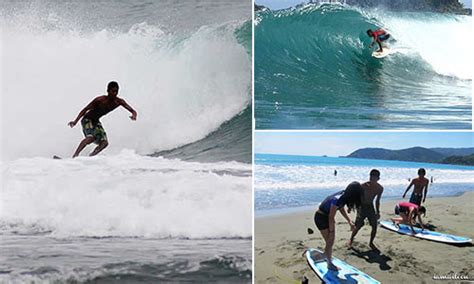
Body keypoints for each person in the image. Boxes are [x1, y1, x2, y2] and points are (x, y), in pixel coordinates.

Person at [68, 81, 137, 158]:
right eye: (113, 91)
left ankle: (90, 157)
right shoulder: (100, 100)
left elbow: (133, 111)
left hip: (96, 121)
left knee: (104, 143)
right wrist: (75, 121)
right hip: (87, 119)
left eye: (116, 91)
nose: (114, 93)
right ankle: (75, 155)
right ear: (108, 91)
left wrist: (134, 115)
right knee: (90, 137)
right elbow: (85, 109)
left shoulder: (119, 101)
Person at [313, 182, 362, 270]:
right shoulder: (339, 198)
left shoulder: (344, 195)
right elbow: (331, 216)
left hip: (325, 217)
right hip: (321, 218)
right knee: (330, 241)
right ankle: (328, 262)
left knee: (330, 241)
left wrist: (349, 221)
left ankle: (326, 256)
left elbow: (341, 209)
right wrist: (331, 231)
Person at [348, 169, 383, 251]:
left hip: (370, 207)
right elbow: (355, 196)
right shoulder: (363, 186)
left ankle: (371, 242)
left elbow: (377, 201)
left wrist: (378, 212)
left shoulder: (379, 188)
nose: (372, 180)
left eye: (374, 178)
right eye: (371, 177)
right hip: (361, 206)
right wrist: (350, 206)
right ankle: (351, 240)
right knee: (358, 225)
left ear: (378, 179)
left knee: (374, 225)